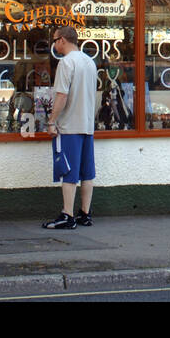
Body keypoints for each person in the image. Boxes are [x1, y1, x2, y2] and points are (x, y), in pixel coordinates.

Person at [43, 25, 98, 229]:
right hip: (87, 124)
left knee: (68, 171)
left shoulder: (66, 62)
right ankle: (85, 213)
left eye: (55, 40)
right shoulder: (89, 62)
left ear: (63, 40)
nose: (54, 44)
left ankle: (67, 215)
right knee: (87, 172)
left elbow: (62, 95)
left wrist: (52, 120)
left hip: (69, 125)